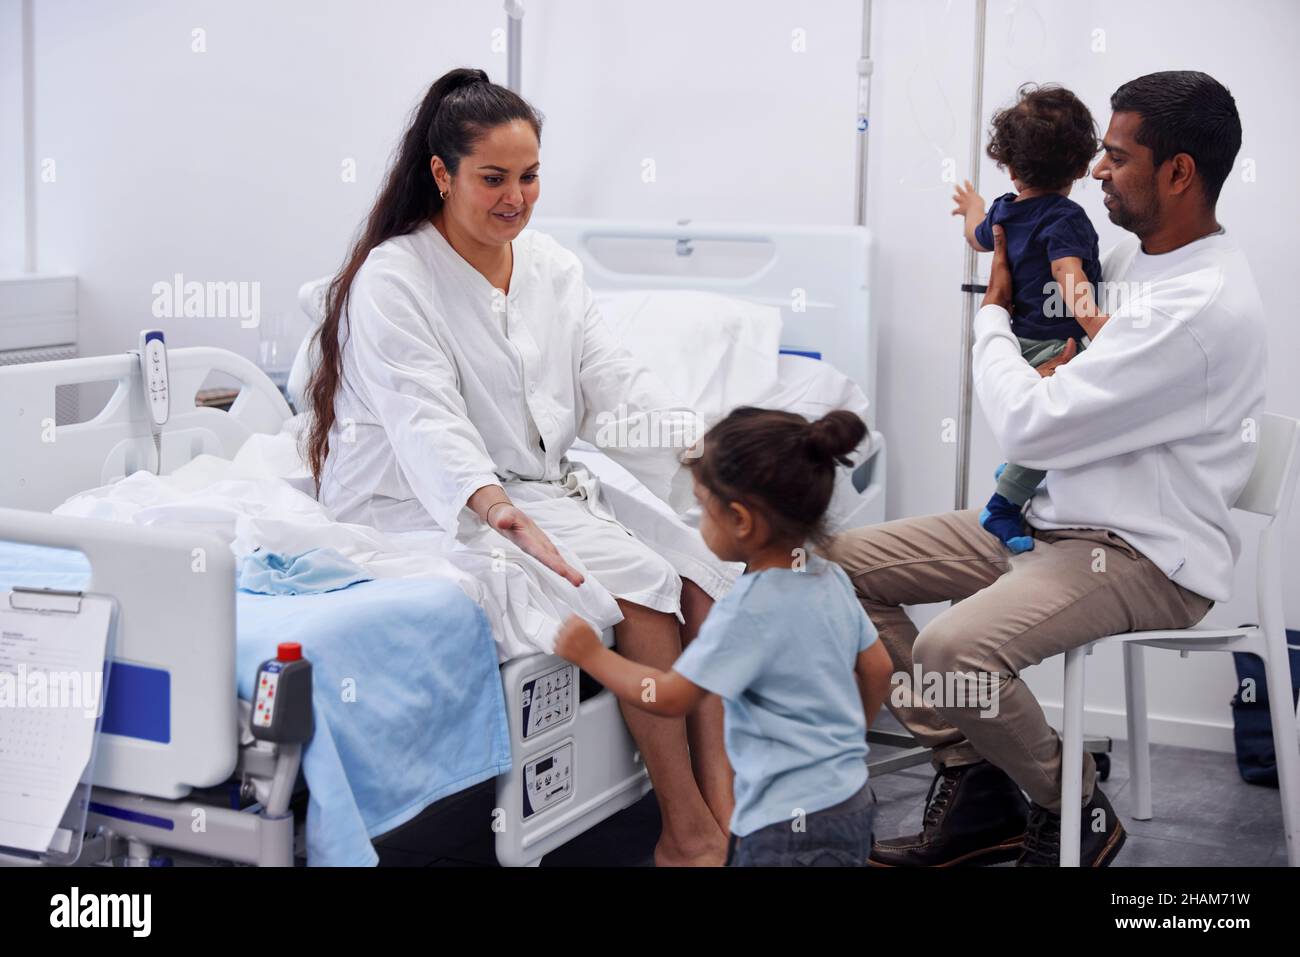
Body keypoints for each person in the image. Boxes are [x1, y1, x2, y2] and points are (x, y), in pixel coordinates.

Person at [827, 71, 1265, 867]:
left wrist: (992, 311)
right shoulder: (1136, 261)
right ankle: (975, 778)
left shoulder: (1196, 306)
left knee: (952, 648)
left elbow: (1032, 418)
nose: (1096, 168)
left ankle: (1073, 804)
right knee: (832, 567)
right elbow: (1062, 389)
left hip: (1142, 550)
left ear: (1178, 172)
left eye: (1116, 154)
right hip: (1052, 521)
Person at [303, 68, 738, 865]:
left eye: (529, 176)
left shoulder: (551, 268)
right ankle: (687, 830)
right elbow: (425, 415)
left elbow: (615, 383)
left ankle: (726, 800)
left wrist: (705, 461)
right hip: (421, 496)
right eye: (493, 178)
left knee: (707, 572)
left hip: (536, 484)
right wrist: (495, 507)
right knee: (641, 590)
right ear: (442, 175)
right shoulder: (396, 277)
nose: (516, 197)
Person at [555, 408, 894, 866]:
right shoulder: (828, 577)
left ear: (740, 520)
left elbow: (671, 696)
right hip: (850, 799)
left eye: (703, 507)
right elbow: (878, 667)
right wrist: (846, 742)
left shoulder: (745, 611)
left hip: (779, 823)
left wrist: (593, 655)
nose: (700, 526)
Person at [951, 84, 1108, 553]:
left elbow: (977, 240)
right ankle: (1002, 504)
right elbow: (1068, 276)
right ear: (1081, 167)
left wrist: (972, 207)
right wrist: (1101, 329)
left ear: (1011, 165)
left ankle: (1019, 466)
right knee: (1065, 425)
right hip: (1055, 344)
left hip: (1019, 342)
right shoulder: (1066, 218)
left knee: (1056, 433)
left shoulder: (1002, 210)